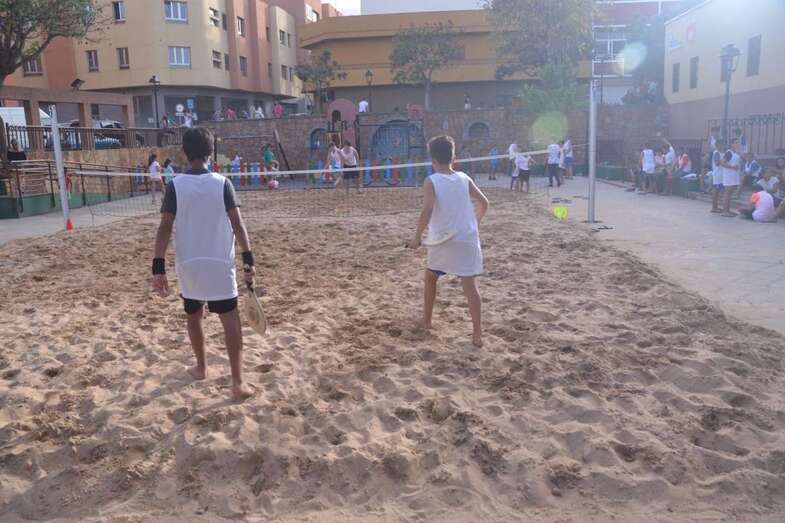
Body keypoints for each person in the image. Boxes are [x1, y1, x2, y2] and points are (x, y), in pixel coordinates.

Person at [152, 127, 255, 401]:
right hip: (219, 265)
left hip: (189, 266)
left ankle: (201, 367)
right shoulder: (223, 183)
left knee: (193, 315)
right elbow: (238, 225)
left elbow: (164, 229)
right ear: (211, 152)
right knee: (230, 320)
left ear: (185, 152)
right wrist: (249, 259)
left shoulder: (175, 185)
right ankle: (237, 382)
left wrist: (158, 268)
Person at [406, 135, 488, 348]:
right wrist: (474, 224)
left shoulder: (431, 180)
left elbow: (428, 209)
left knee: (431, 277)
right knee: (470, 287)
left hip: (442, 239)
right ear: (454, 158)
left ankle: (427, 321)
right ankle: (477, 334)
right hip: (467, 238)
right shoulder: (464, 177)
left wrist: (416, 237)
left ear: (432, 160)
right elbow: (484, 203)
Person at [719, 140, 742, 217]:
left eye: (738, 143)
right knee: (727, 193)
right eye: (735, 143)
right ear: (731, 144)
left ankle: (728, 210)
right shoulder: (729, 153)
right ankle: (724, 211)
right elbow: (722, 163)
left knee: (730, 194)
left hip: (734, 176)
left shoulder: (736, 153)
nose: (737, 144)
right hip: (729, 176)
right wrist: (732, 167)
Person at [710, 139, 726, 213]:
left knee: (720, 192)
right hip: (718, 175)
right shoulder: (716, 153)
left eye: (723, 144)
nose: (722, 146)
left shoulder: (723, 153)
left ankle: (717, 207)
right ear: (717, 145)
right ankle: (714, 207)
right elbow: (717, 163)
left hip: (722, 175)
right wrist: (725, 160)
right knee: (716, 192)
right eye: (720, 144)